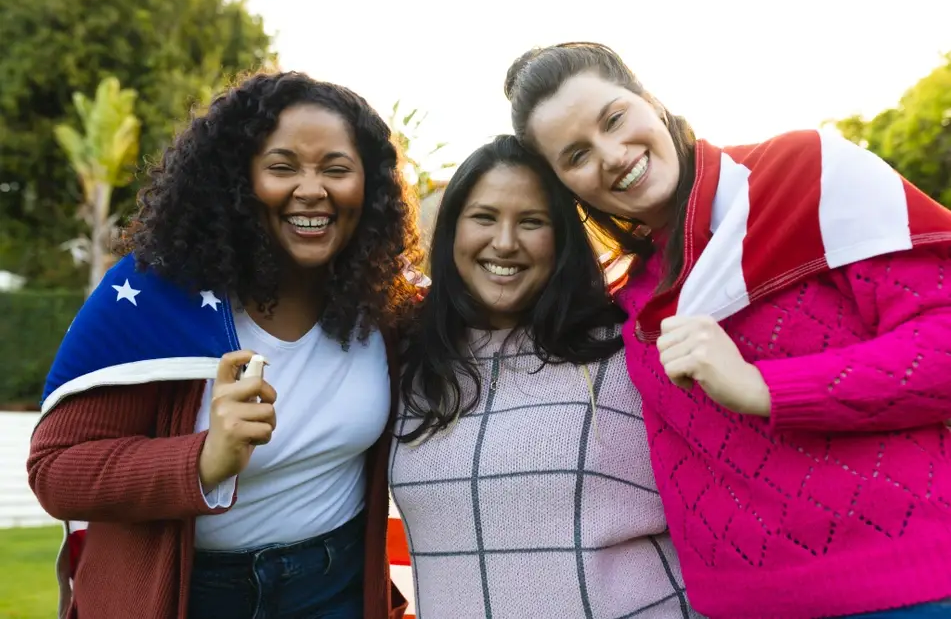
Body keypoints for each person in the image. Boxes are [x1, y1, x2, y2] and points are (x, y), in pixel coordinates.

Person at [502, 42, 951, 618]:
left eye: (614, 119)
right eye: (576, 156)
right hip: (735, 605)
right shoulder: (631, 297)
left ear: (652, 102)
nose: (612, 156)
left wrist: (764, 386)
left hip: (909, 589)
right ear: (566, 186)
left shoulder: (802, 174)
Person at [28, 71, 417, 619]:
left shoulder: (387, 306)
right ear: (237, 181)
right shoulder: (153, 297)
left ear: (368, 188)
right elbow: (55, 470)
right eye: (282, 167)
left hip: (335, 588)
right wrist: (204, 459)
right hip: (188, 596)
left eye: (336, 169)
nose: (312, 189)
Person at [390, 135, 700, 619]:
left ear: (562, 239)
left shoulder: (626, 351)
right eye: (484, 217)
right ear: (451, 230)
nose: (505, 242)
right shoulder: (409, 364)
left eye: (531, 222)